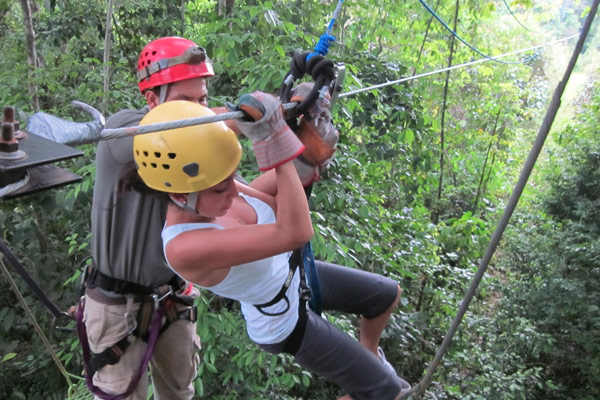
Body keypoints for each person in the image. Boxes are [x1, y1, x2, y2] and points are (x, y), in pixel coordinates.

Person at [128, 95, 411, 400]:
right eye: (223, 187)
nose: (236, 190)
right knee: (386, 392)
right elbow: (296, 231)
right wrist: (278, 146)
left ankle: (371, 355)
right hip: (282, 320)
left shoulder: (216, 194)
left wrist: (296, 127)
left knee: (386, 295)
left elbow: (280, 196)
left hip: (295, 277)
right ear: (181, 197)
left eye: (232, 177)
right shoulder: (184, 246)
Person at [81, 37, 216, 399]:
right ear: (152, 100)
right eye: (185, 101)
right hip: (116, 306)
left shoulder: (208, 145)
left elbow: (238, 196)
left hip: (172, 298)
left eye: (203, 99)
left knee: (180, 392)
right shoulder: (123, 131)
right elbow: (171, 140)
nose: (199, 110)